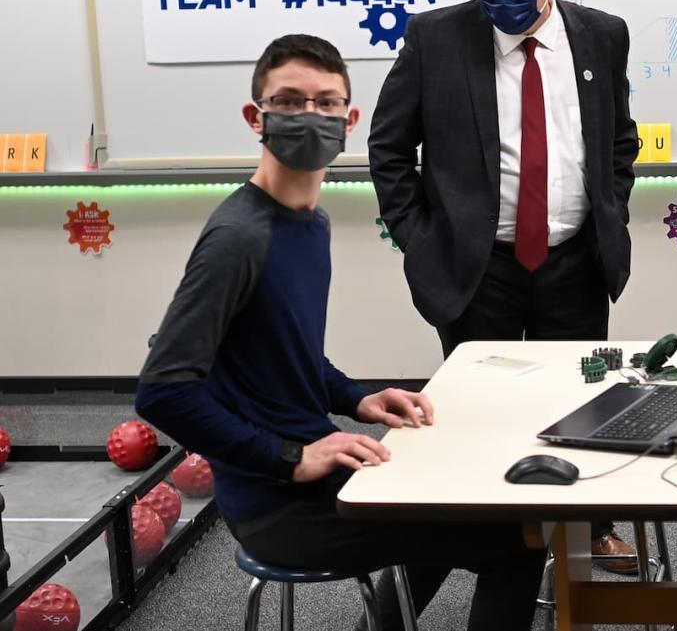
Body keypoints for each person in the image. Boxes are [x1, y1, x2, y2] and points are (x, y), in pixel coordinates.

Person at [135, 34, 545, 630]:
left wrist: (356, 398)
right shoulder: (240, 237)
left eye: (327, 103)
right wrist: (288, 456)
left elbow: (287, 352)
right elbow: (162, 390)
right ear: (257, 117)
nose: (310, 116)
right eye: (290, 101)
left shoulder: (310, 223)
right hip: (278, 507)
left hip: (314, 475)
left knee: (457, 509)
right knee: (514, 539)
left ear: (350, 120)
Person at [368, 0, 640, 569]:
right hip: (475, 265)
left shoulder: (602, 35)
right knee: (478, 406)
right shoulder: (437, 36)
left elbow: (619, 138)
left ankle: (590, 523)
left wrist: (611, 208)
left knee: (580, 398)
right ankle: (491, 535)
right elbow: (389, 146)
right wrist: (418, 237)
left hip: (574, 259)